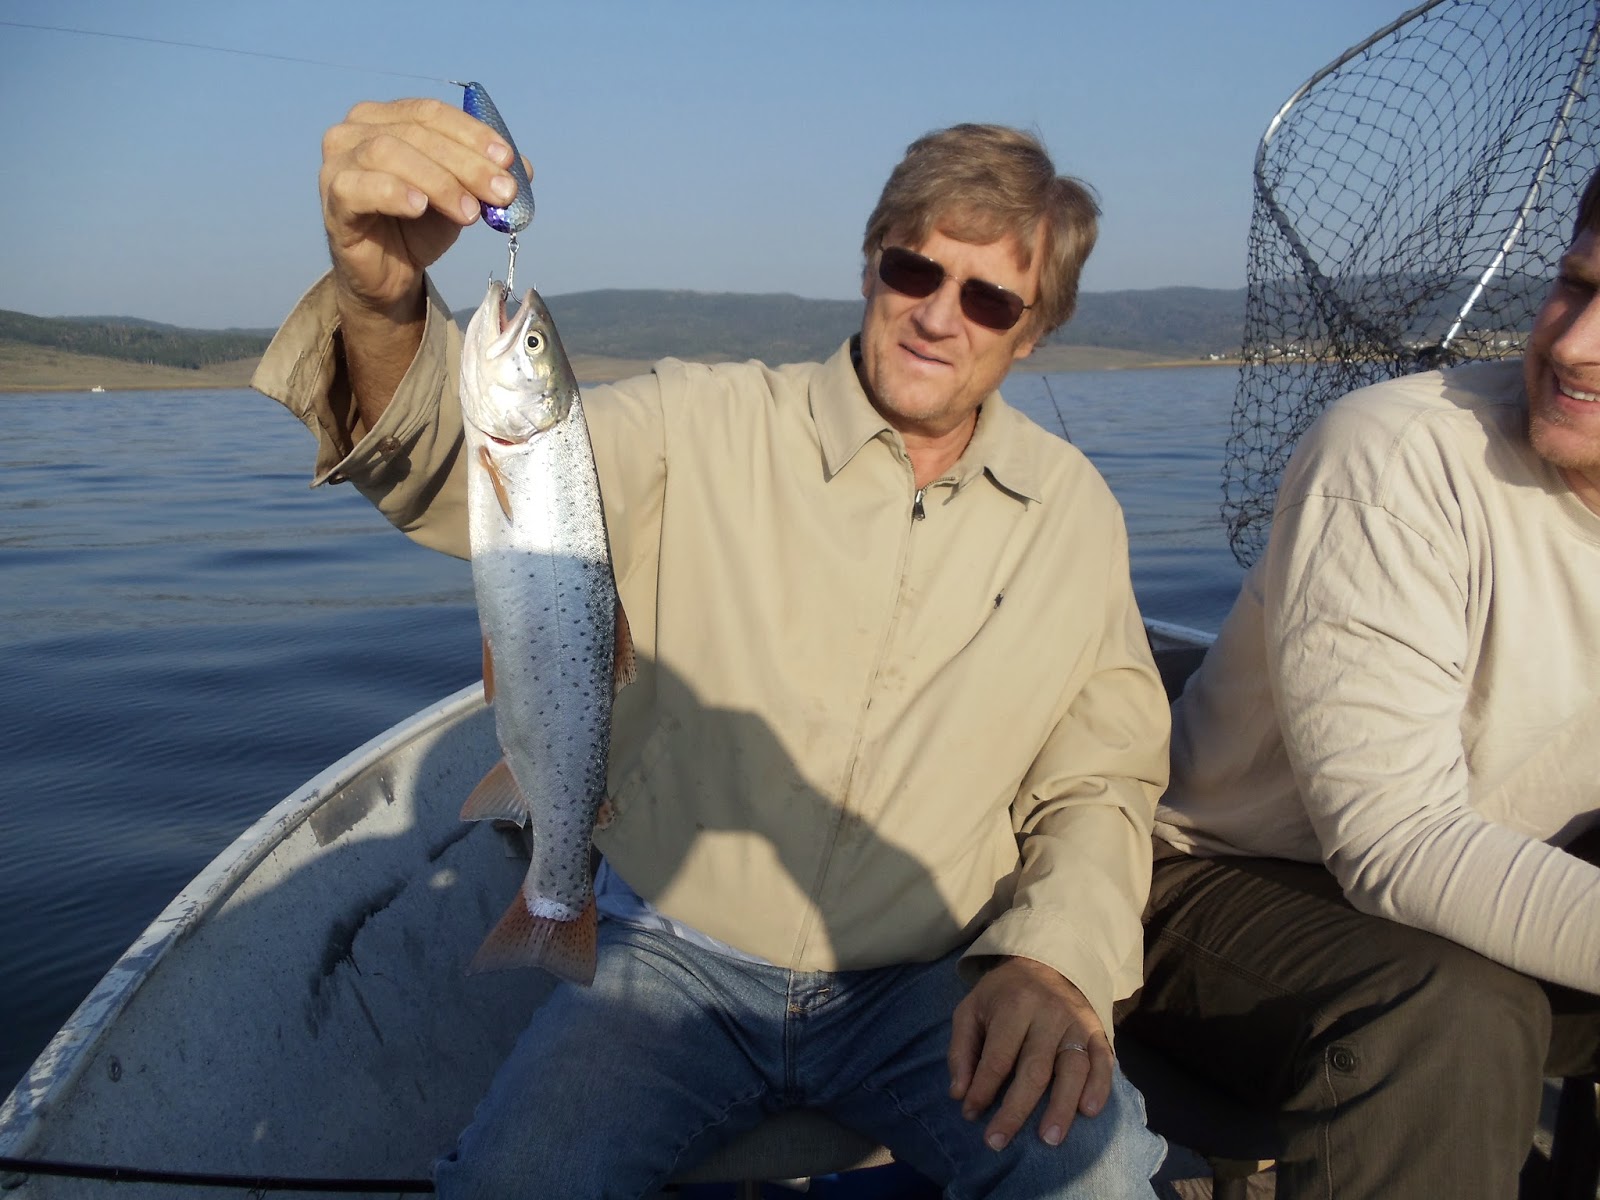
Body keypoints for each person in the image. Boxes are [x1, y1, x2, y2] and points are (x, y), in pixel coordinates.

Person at [252, 98, 1172, 1198]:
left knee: (1100, 1176)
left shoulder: (1074, 513)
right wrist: (380, 298)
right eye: (912, 271)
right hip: (666, 953)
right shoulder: (696, 422)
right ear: (871, 264)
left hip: (925, 983)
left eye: (986, 298)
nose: (937, 316)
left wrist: (1050, 958)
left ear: (1031, 331)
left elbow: (1100, 779)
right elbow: (470, 482)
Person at [1117, 167, 1600, 1198]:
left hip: (1513, 854)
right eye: (1573, 282)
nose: (1568, 343)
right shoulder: (1399, 459)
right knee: (1453, 1018)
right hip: (1221, 878)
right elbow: (1396, 843)